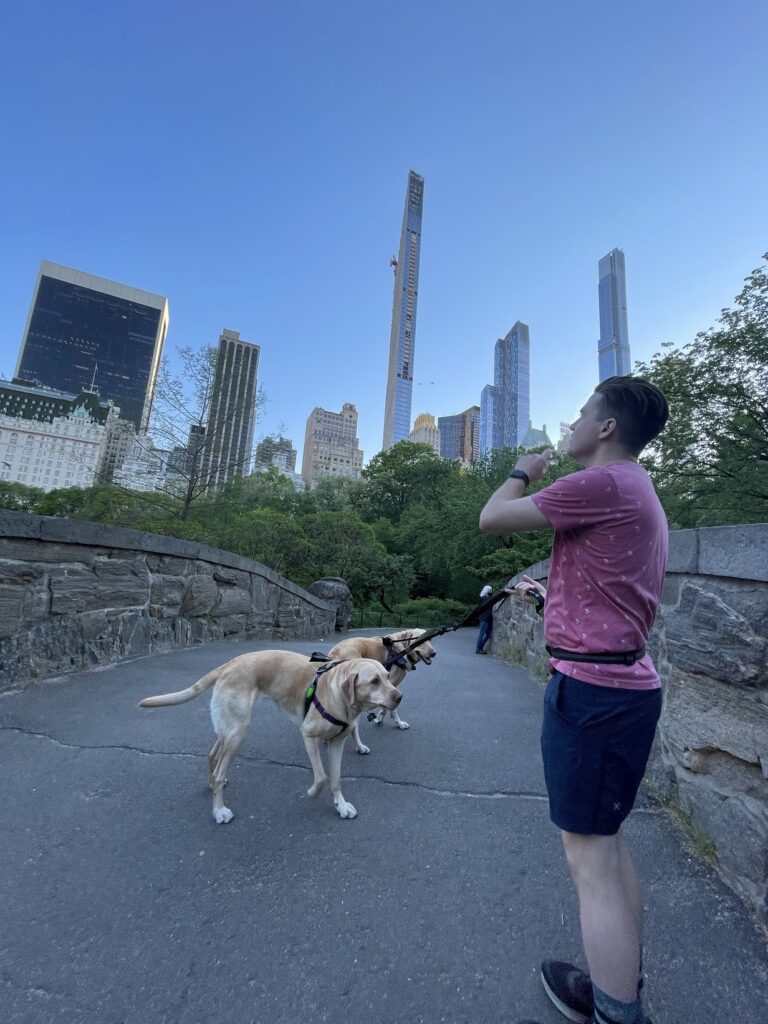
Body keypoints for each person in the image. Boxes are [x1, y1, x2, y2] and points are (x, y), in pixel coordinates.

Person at [479, 376, 669, 1024]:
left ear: (607, 426)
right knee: (606, 848)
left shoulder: (603, 483)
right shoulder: (637, 489)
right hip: (621, 685)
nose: (574, 424)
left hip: (594, 697)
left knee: (588, 857)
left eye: (584, 413)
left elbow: (492, 517)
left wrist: (521, 470)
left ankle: (617, 1010)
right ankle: (622, 984)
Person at [476, 584, 494, 654]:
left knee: (488, 634)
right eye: (490, 590)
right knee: (482, 634)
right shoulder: (485, 598)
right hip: (485, 618)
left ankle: (480, 647)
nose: (491, 591)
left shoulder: (485, 598)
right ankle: (478, 648)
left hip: (488, 619)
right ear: (488, 591)